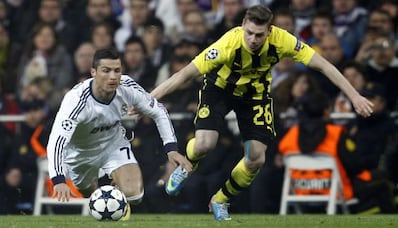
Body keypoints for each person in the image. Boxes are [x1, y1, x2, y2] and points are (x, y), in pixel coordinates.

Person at [149, 4, 374, 220]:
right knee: (204, 145)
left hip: (255, 94)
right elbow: (184, 74)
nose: (253, 39)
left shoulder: (283, 40)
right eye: (249, 33)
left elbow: (323, 65)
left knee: (256, 158)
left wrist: (354, 96)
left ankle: (220, 199)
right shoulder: (227, 44)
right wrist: (149, 100)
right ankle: (186, 166)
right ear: (242, 25)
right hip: (220, 89)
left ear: (270, 30)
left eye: (259, 35)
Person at [46, 48, 191, 219]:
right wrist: (58, 180)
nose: (113, 77)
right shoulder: (76, 101)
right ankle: (111, 193)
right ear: (93, 72)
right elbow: (56, 141)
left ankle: (118, 198)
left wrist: (171, 149)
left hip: (113, 144)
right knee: (89, 194)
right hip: (80, 154)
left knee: (135, 196)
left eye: (117, 70)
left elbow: (158, 111)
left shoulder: (127, 87)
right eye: (106, 71)